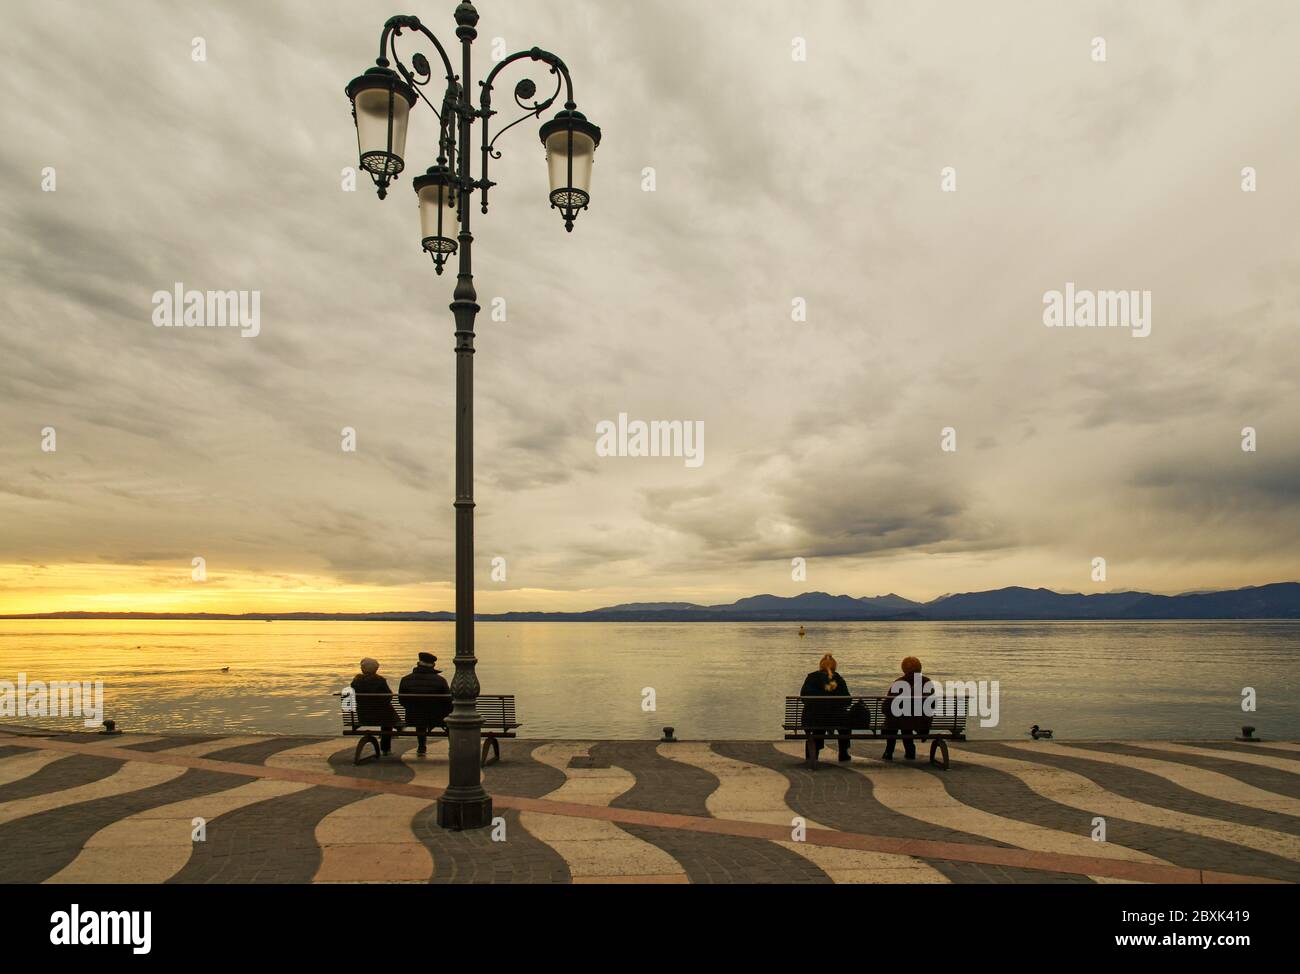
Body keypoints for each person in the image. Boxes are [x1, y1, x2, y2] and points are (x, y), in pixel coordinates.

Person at [799, 653, 851, 762]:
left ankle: (812, 755)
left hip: (812, 720)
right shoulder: (838, 679)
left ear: (821, 665)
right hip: (836, 719)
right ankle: (843, 753)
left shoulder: (811, 678)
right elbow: (848, 701)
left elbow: (803, 697)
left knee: (817, 727)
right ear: (834, 666)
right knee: (845, 725)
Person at [882, 656, 935, 761]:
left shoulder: (899, 683)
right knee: (907, 721)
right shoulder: (927, 682)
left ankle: (889, 751)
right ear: (920, 668)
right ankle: (910, 751)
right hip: (921, 723)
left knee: (896, 720)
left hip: (899, 722)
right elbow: (932, 705)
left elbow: (886, 707)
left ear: (903, 669)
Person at [398, 652, 452, 755]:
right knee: (450, 718)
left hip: (413, 717)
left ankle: (421, 747)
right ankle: (452, 747)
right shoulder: (440, 680)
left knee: (420, 716)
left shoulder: (405, 679)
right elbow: (447, 701)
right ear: (433, 665)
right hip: (436, 717)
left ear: (418, 663)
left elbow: (402, 701)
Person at [350, 657, 400, 755]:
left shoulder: (355, 682)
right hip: (382, 717)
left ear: (362, 669)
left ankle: (397, 725)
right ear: (376, 669)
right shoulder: (380, 681)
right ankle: (385, 749)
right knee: (387, 717)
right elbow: (389, 697)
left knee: (385, 712)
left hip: (363, 717)